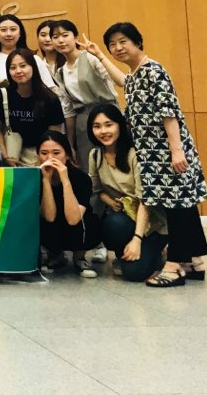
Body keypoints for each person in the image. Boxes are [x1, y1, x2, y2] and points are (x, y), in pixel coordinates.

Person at [86, 22, 207, 287]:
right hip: (153, 153)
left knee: (177, 206)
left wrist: (176, 150)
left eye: (123, 42)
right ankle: (195, 262)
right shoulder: (136, 74)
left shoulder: (154, 71)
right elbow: (123, 82)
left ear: (138, 42)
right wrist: (99, 55)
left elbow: (168, 112)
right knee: (183, 204)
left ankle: (175, 266)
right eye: (112, 44)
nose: (118, 48)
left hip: (167, 151)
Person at [87, 104, 168, 282]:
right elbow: (96, 189)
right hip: (125, 218)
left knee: (134, 274)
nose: (103, 131)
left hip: (151, 224)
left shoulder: (134, 154)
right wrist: (110, 201)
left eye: (109, 125)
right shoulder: (95, 155)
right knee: (112, 224)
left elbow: (145, 201)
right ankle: (125, 253)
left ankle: (156, 252)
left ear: (120, 126)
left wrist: (137, 239)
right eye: (97, 126)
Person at [50, 19, 118, 165]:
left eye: (65, 35)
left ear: (76, 38)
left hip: (108, 115)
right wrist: (69, 143)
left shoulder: (90, 58)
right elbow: (68, 110)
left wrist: (99, 54)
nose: (60, 40)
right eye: (55, 37)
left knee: (116, 159)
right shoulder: (60, 73)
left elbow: (113, 81)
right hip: (83, 124)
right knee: (89, 165)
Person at [38, 130, 101, 278]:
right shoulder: (36, 177)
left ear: (67, 155)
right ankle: (56, 255)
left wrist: (65, 179)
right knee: (41, 221)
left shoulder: (82, 178)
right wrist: (46, 181)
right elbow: (49, 216)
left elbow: (73, 219)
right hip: (52, 226)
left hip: (77, 225)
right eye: (44, 153)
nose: (50, 158)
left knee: (86, 220)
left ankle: (80, 257)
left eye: (56, 153)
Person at [0, 48, 64, 167]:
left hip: (41, 156)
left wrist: (42, 160)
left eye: (23, 66)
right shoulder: (2, 95)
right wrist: (5, 155)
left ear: (33, 67)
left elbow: (54, 135)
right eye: (13, 67)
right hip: (11, 154)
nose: (18, 71)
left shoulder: (50, 99)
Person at [0, 14, 60, 104]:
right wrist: (18, 97)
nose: (8, 34)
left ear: (20, 33)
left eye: (13, 29)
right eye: (3, 30)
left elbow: (50, 90)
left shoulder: (35, 59)